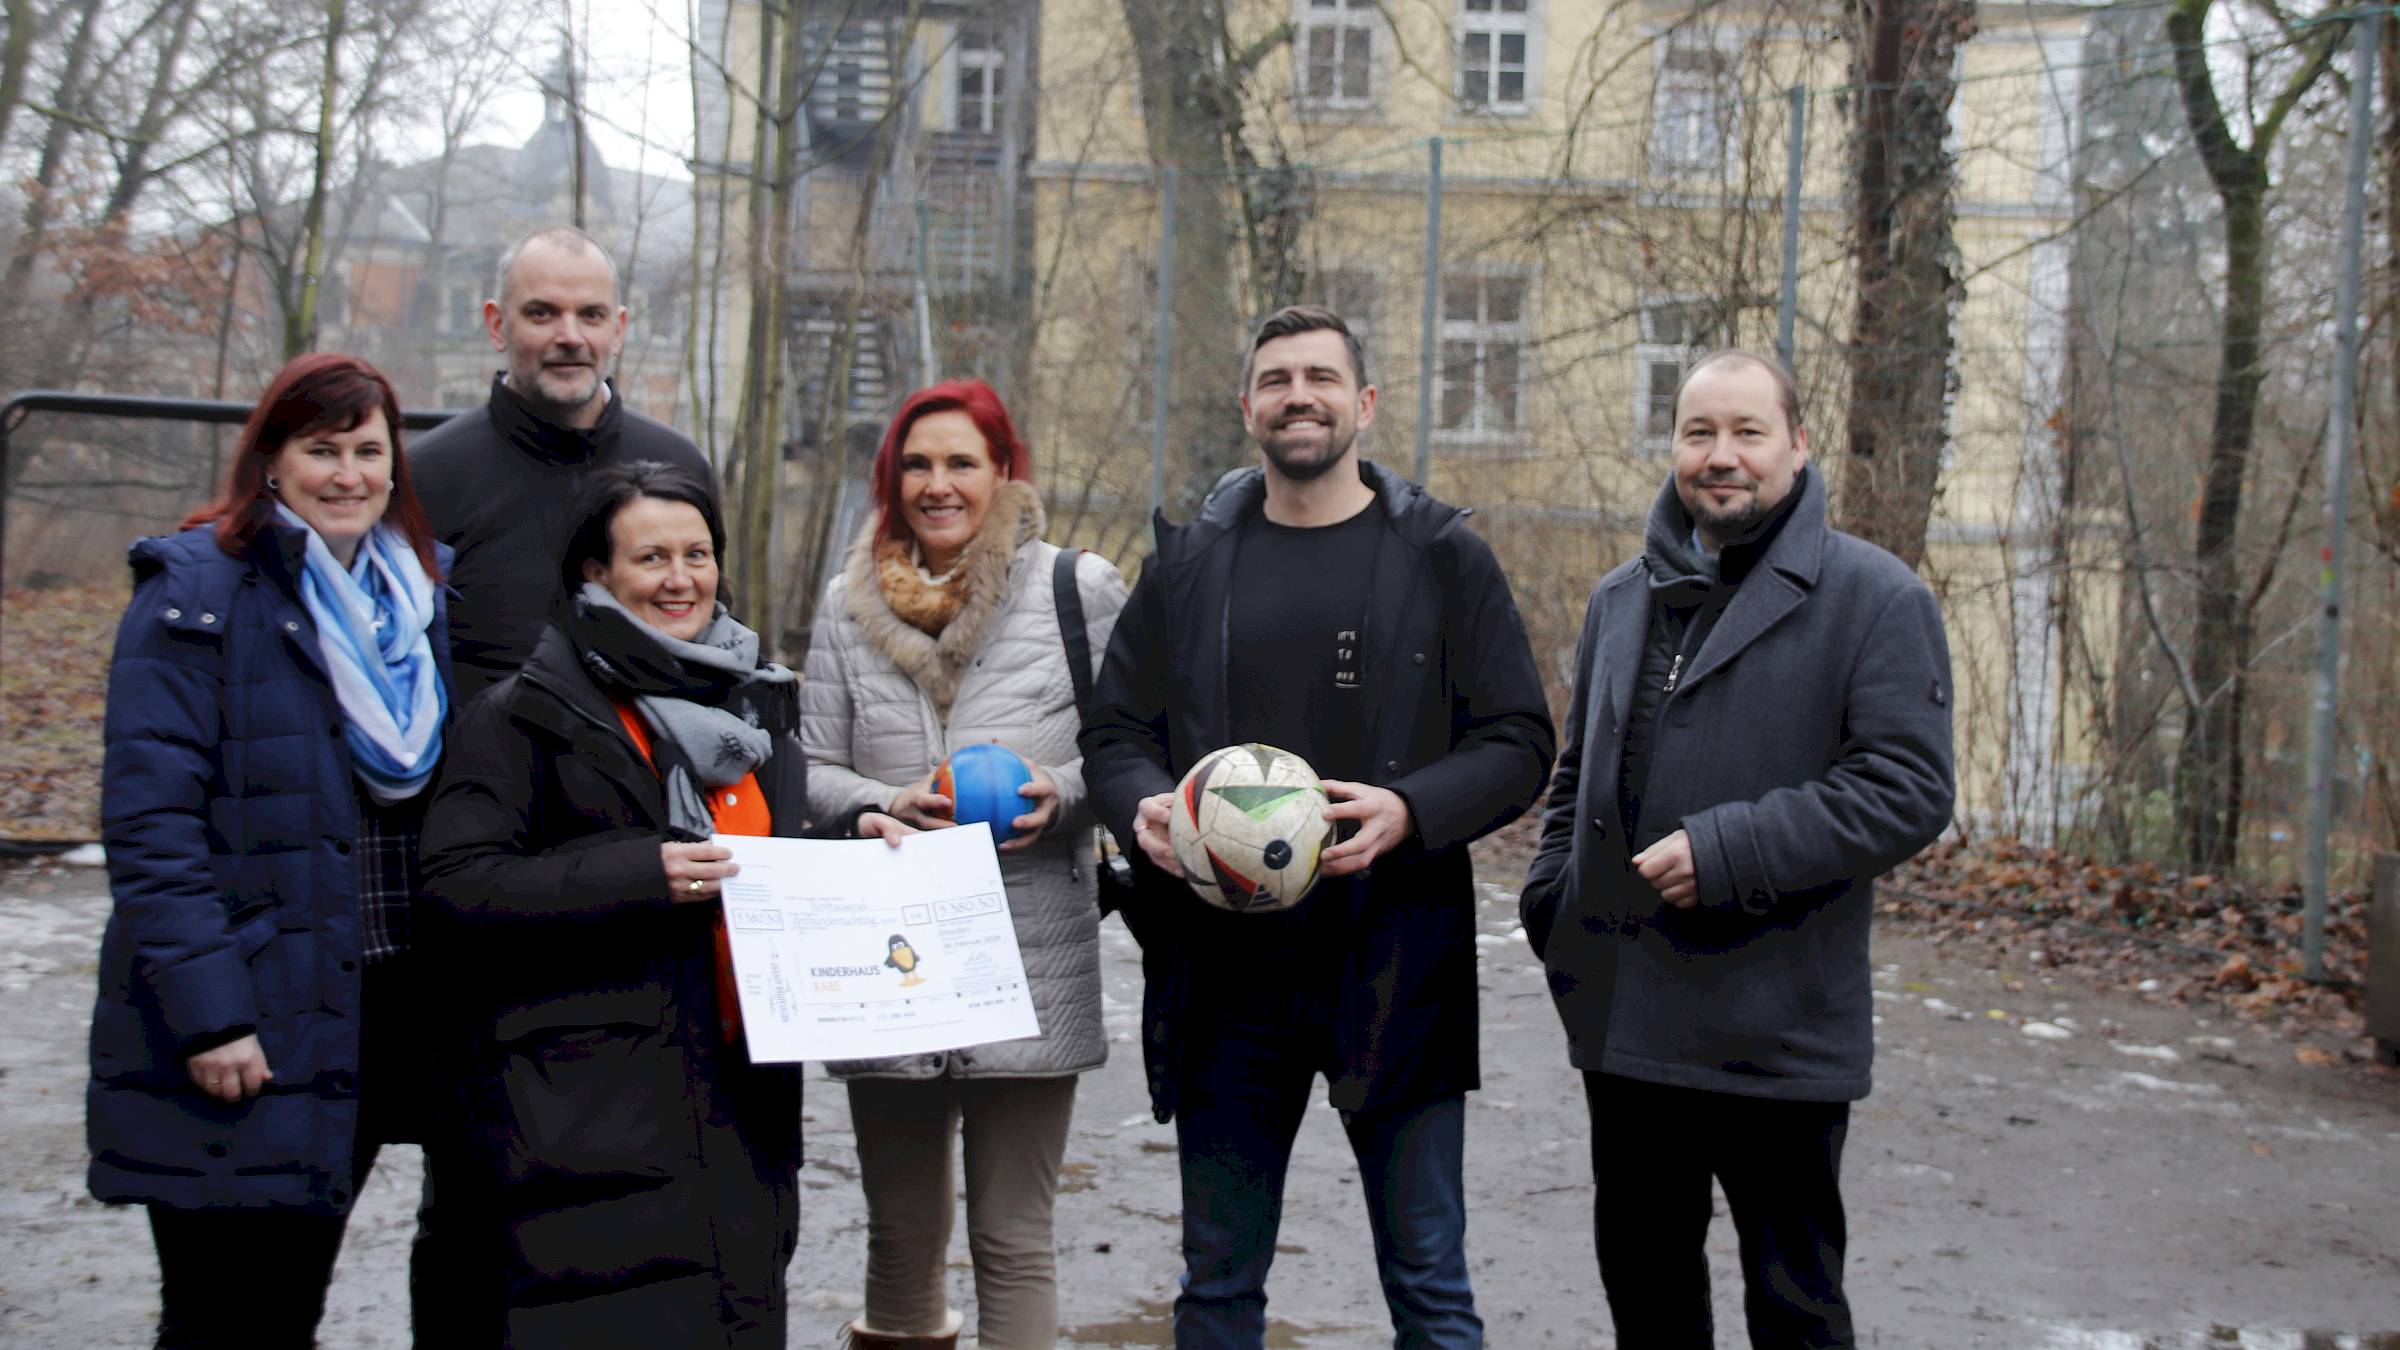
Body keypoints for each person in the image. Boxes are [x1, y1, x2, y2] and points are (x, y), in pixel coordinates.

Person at [1081, 305, 1555, 1349]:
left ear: (1364, 403)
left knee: (1430, 1281)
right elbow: (1115, 732)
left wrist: (1412, 808)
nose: (1300, 395)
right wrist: (1146, 806)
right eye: (1278, 379)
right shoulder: (1192, 563)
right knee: (1217, 1284)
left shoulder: (1441, 557)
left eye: (1322, 378)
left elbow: (1522, 739)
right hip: (1224, 978)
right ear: (1246, 406)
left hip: (1393, 962)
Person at [416, 461, 908, 1347]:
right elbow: (456, 888)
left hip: (740, 1107)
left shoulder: (757, 715)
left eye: (698, 553)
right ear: (593, 574)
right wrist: (640, 875)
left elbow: (764, 868)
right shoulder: (523, 716)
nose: (680, 579)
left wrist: (852, 852)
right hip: (585, 1128)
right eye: (650, 557)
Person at [1519, 350, 1956, 1347]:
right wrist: (1554, 904)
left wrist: (1727, 851)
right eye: (1699, 433)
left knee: (1795, 1310)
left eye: (1748, 433)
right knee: (1650, 1303)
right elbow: (1577, 772)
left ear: (1798, 446)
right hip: (1628, 1032)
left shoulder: (1877, 598)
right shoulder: (1619, 598)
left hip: (1780, 1034)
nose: (1722, 457)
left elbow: (1909, 790)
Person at [85, 353, 452, 1348]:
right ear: (272, 463)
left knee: (288, 1307)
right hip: (243, 1021)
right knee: (219, 1318)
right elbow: (151, 830)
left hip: (360, 1017)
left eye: (368, 451)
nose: (347, 474)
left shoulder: (414, 606)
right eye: (320, 449)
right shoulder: (194, 596)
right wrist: (210, 1019)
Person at [800, 379, 1129, 1350]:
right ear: (891, 478)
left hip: (1029, 953)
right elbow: (809, 768)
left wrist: (1059, 793)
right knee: (899, 1236)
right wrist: (878, 802)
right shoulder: (843, 606)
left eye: (960, 463)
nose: (937, 485)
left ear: (1003, 473)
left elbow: (1131, 754)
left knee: (1011, 1238)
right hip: (892, 957)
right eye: (917, 464)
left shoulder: (1078, 587)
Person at [410, 224, 717, 702]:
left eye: (590, 315)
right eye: (542, 314)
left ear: (617, 330)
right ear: (496, 324)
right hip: (477, 770)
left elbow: (713, 640)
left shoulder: (679, 466)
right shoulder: (429, 476)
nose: (569, 336)